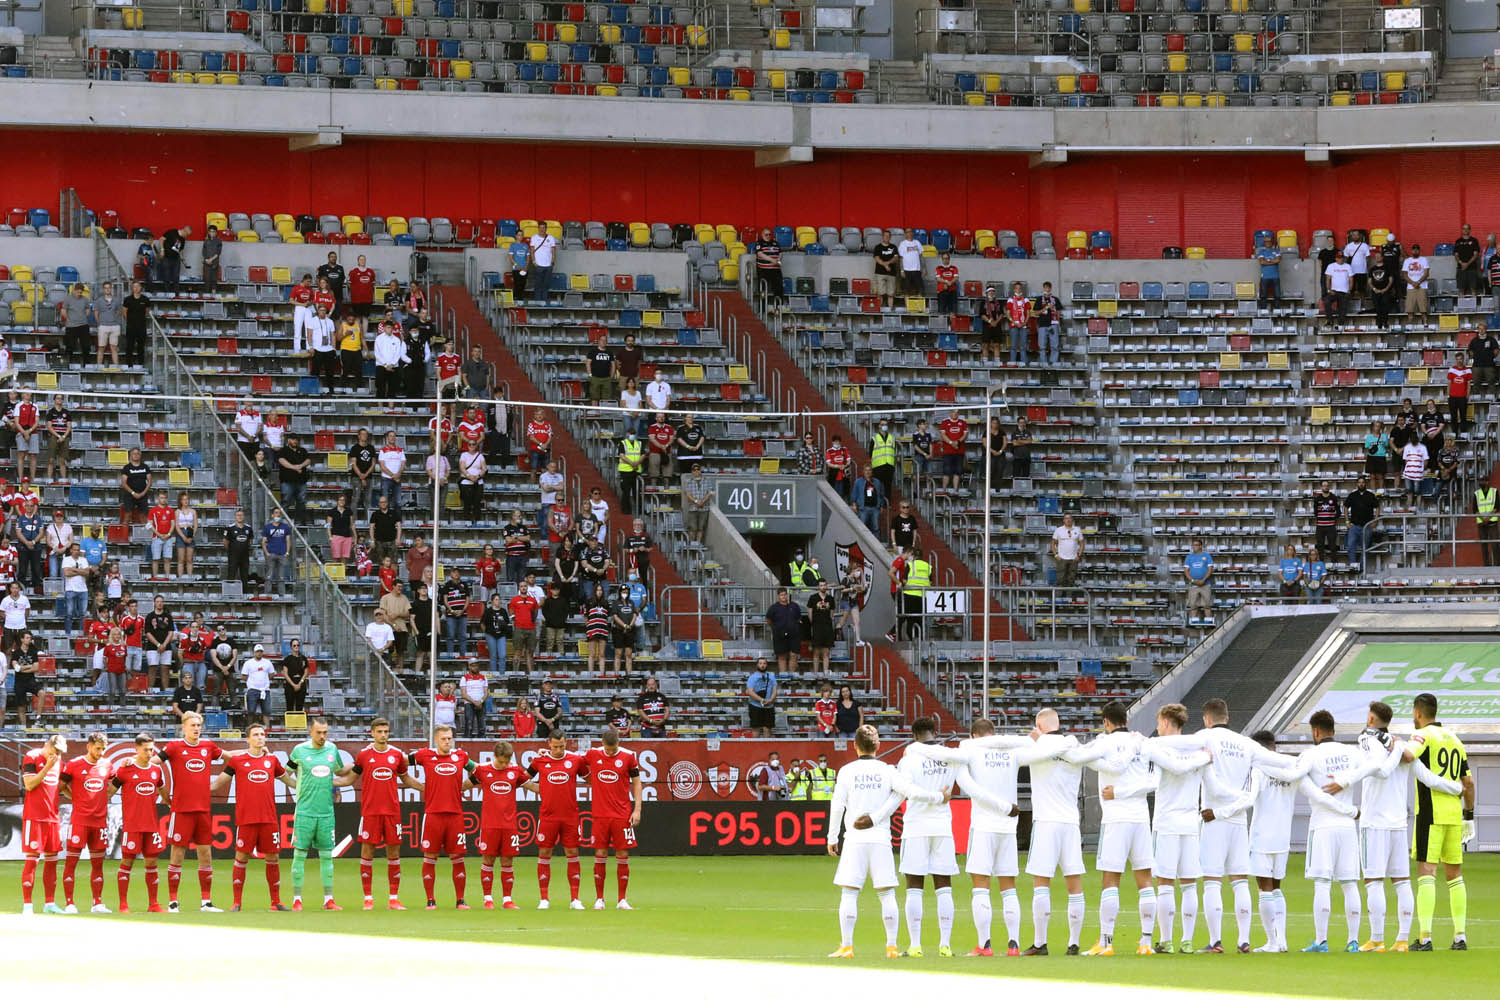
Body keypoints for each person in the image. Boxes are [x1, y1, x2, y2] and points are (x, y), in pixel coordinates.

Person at [826, 724, 946, 959]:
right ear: (878, 746)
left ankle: (847, 946)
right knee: (886, 893)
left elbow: (837, 804)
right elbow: (907, 792)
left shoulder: (846, 771)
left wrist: (832, 837)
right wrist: (939, 796)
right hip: (881, 838)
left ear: (854, 745)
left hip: (854, 838)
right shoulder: (888, 770)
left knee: (849, 893)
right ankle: (891, 947)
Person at [1353, 701, 1461, 953]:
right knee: (1402, 881)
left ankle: (1377, 939)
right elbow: (1428, 777)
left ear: (1370, 719)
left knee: (1373, 881)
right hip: (1399, 824)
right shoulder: (1402, 747)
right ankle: (1402, 940)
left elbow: (1377, 769)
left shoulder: (1373, 744)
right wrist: (1455, 788)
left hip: (1374, 821)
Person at [1406, 693, 1477, 951]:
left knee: (1426, 872)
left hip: (1430, 813)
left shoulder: (1423, 736)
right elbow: (1468, 783)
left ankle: (1425, 937)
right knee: (1454, 874)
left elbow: (1408, 755)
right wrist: (1469, 815)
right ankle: (1460, 936)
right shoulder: (1455, 740)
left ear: (1417, 713)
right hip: (1454, 815)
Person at [1141, 704, 1213, 953]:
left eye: (1159, 722)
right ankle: (1188, 940)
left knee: (1165, 883)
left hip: (1167, 822)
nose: (1157, 727)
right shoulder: (1197, 749)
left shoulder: (1160, 748)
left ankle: (1167, 939)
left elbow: (1170, 768)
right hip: (1191, 822)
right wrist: (1203, 756)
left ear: (1167, 722)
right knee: (1189, 883)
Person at [212, 724, 293, 911]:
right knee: (241, 857)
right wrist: (198, 790)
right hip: (246, 819)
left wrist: (309, 786)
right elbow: (218, 783)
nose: (260, 737)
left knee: (273, 858)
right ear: (247, 739)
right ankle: (237, 902)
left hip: (269, 818)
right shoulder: (237, 761)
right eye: (255, 735)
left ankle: (276, 902)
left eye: (262, 734)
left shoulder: (272, 761)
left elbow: (288, 781)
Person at [353, 717, 423, 910]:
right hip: (370, 811)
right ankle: (368, 898)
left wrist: (427, 789)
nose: (383, 735)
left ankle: (393, 898)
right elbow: (351, 777)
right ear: (372, 733)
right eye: (380, 731)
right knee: (367, 852)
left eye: (386, 731)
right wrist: (327, 781)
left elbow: (406, 778)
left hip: (392, 812)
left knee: (393, 853)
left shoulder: (397, 755)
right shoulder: (364, 755)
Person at [159, 712, 225, 912]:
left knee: (205, 854)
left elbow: (232, 759)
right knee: (177, 855)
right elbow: (153, 761)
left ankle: (206, 902)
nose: (196, 728)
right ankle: (172, 902)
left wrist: (254, 750)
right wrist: (134, 760)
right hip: (181, 810)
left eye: (199, 725)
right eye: (193, 725)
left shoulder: (208, 747)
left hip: (203, 810)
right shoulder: (174, 747)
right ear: (183, 727)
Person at [284, 718, 353, 911]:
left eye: (325, 732)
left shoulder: (332, 750)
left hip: (326, 813)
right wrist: (297, 788)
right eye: (318, 733)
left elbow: (339, 770)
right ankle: (297, 899)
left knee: (326, 857)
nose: (322, 736)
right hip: (305, 812)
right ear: (310, 732)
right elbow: (285, 773)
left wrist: (357, 764)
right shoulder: (299, 751)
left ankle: (328, 900)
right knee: (299, 855)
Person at [406, 725, 472, 911]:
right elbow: (400, 762)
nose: (447, 742)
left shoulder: (460, 756)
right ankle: (430, 900)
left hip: (455, 815)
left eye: (450, 738)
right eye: (443, 738)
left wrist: (463, 786)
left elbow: (478, 771)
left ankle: (460, 900)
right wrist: (421, 787)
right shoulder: (424, 755)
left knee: (458, 857)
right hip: (433, 815)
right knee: (430, 857)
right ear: (436, 739)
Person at [526, 729, 588, 908]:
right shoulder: (539, 761)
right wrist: (540, 789)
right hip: (548, 816)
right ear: (549, 744)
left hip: (570, 816)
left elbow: (590, 779)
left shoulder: (575, 760)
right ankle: (544, 899)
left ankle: (575, 899)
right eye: (555, 746)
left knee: (573, 853)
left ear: (566, 743)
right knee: (544, 853)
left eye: (562, 746)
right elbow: (522, 778)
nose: (559, 750)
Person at [584, 727, 643, 910]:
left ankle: (622, 899)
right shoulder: (593, 754)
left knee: (622, 855)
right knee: (600, 854)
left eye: (613, 749)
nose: (610, 753)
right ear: (602, 744)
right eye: (607, 750)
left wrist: (637, 810)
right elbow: (571, 760)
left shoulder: (628, 757)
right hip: (600, 815)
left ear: (618, 743)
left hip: (621, 814)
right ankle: (599, 899)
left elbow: (637, 782)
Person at [473, 740, 536, 909]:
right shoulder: (482, 770)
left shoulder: (514, 771)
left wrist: (554, 789)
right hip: (489, 825)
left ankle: (507, 899)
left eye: (506, 762)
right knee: (488, 859)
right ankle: (488, 898)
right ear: (494, 756)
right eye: (501, 761)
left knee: (508, 861)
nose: (503, 765)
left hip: (509, 826)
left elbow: (532, 787)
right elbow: (465, 785)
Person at [110, 733, 168, 912]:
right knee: (127, 863)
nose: (149, 753)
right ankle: (123, 904)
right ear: (136, 749)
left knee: (152, 864)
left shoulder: (156, 770)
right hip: (132, 826)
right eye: (145, 750)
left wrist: (171, 803)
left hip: (151, 825)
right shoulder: (124, 770)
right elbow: (108, 792)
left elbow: (162, 789)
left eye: (151, 749)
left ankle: (154, 904)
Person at [58, 732, 112, 913]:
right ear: (88, 746)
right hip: (79, 821)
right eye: (98, 748)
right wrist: (75, 799)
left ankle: (97, 903)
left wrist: (104, 797)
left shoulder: (107, 765)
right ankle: (69, 903)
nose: (101, 752)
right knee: (71, 863)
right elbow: (60, 786)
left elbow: (116, 782)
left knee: (98, 864)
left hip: (100, 822)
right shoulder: (74, 764)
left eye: (103, 749)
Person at [19, 733, 65, 914]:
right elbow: (29, 785)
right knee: (32, 861)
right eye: (56, 750)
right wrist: (47, 767)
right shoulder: (32, 756)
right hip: (35, 817)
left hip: (52, 818)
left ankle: (50, 904)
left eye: (61, 752)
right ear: (47, 745)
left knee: (52, 861)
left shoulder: (58, 762)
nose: (58, 755)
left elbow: (61, 786)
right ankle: (28, 905)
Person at [764, 590, 800, 678]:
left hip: (794, 634)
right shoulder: (773, 608)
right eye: (781, 595)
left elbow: (798, 618)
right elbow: (768, 620)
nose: (783, 596)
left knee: (793, 654)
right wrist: (776, 628)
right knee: (782, 655)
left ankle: (792, 675)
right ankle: (783, 675)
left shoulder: (794, 606)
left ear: (787, 595)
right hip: (779, 634)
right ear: (778, 596)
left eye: (785, 594)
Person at [1346, 475, 1380, 568]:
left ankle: (1361, 567)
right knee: (1350, 546)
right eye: (1359, 482)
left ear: (1366, 484)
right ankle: (1353, 566)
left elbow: (1377, 508)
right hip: (1354, 526)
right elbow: (1345, 507)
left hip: (1367, 526)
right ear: (1357, 484)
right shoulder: (1352, 495)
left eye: (1363, 482)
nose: (1361, 484)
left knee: (1365, 548)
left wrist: (1375, 521)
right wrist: (1347, 521)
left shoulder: (1370, 495)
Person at [240, 643, 275, 728]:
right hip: (253, 689)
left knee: (266, 712)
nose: (259, 653)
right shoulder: (248, 663)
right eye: (257, 651)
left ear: (262, 652)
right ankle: (250, 729)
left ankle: (267, 730)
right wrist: (253, 682)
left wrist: (264, 680)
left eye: (260, 651)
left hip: (265, 689)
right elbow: (244, 676)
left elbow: (272, 674)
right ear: (254, 652)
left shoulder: (267, 662)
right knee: (251, 711)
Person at [508, 579, 539, 673]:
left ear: (527, 587)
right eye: (521, 586)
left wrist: (531, 621)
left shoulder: (532, 600)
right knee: (518, 651)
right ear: (519, 588)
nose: (523, 588)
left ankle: (531, 673)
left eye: (525, 586)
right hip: (519, 628)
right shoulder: (514, 600)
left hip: (531, 628)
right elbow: (511, 611)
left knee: (530, 653)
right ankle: (515, 673)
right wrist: (516, 620)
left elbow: (535, 613)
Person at [806, 579, 836, 674]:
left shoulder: (830, 598)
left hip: (827, 627)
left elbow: (832, 614)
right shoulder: (813, 598)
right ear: (818, 587)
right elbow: (809, 613)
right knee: (816, 652)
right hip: (817, 627)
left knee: (826, 652)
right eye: (821, 585)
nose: (823, 587)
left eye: (824, 585)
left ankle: (825, 674)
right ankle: (815, 674)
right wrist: (814, 624)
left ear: (826, 586)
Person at [261, 507, 292, 597]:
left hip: (282, 554)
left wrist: (287, 552)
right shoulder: (267, 527)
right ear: (272, 515)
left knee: (281, 577)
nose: (278, 515)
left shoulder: (285, 527)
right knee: (269, 576)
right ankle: (267, 594)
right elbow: (263, 542)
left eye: (279, 513)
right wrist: (266, 553)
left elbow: (288, 540)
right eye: (276, 513)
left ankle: (282, 594)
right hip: (271, 553)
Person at [745, 655, 778, 737]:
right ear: (757, 665)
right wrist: (761, 700)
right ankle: (755, 748)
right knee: (756, 728)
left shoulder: (771, 677)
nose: (762, 665)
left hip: (769, 706)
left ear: (767, 665)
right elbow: (750, 691)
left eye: (764, 663)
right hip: (755, 705)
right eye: (760, 663)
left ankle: (766, 748)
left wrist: (771, 700)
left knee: (767, 728)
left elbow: (775, 690)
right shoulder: (752, 677)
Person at [850, 463, 886, 537]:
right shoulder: (858, 481)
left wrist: (881, 505)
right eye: (866, 470)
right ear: (863, 471)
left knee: (876, 527)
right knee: (862, 527)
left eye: (869, 470)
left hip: (875, 508)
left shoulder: (877, 482)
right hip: (863, 508)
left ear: (872, 472)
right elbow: (854, 493)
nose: (867, 472)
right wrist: (854, 504)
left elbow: (881, 494)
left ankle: (876, 545)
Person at [752, 228, 784, 305]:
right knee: (762, 289)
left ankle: (778, 307)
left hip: (776, 270)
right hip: (763, 270)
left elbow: (780, 253)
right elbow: (760, 254)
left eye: (769, 234)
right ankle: (762, 309)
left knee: (779, 289)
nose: (768, 236)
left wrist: (778, 260)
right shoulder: (759, 243)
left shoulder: (775, 243)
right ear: (762, 235)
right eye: (766, 234)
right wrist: (771, 260)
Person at [122, 280, 151, 366]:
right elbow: (124, 312)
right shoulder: (127, 299)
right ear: (132, 288)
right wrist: (130, 321)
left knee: (141, 347)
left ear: (140, 288)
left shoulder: (145, 299)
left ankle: (141, 364)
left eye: (138, 286)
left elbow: (147, 311)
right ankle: (129, 365)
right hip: (131, 327)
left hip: (141, 327)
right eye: (134, 286)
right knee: (129, 346)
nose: (136, 288)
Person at [1183, 539, 1213, 623]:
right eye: (1193, 545)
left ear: (1200, 546)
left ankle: (1209, 622)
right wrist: (1193, 580)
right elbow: (1186, 571)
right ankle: (1193, 621)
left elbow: (1210, 569)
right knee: (1193, 605)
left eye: (1196, 545)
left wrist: (1203, 580)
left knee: (1207, 605)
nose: (1194, 547)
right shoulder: (1189, 557)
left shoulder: (1206, 556)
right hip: (1193, 585)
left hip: (1205, 584)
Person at [528, 222, 558, 302]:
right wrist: (534, 262)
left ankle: (544, 301)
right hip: (538, 265)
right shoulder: (534, 237)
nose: (542, 229)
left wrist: (552, 262)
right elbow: (531, 251)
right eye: (540, 227)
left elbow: (553, 251)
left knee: (546, 285)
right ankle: (537, 301)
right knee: (538, 285)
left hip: (548, 265)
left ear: (546, 228)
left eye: (543, 227)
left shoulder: (551, 238)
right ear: (538, 228)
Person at [682, 463, 711, 545]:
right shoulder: (689, 482)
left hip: (704, 508)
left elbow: (710, 492)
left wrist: (702, 501)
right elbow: (687, 494)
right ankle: (691, 543)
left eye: (698, 469)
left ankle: (698, 543)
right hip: (693, 508)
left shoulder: (706, 481)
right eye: (694, 470)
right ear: (692, 472)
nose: (696, 471)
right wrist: (696, 501)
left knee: (701, 527)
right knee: (692, 527)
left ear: (700, 470)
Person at [1005, 281, 1031, 366]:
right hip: (1014, 325)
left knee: (1023, 346)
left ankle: (1024, 363)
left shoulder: (1026, 299)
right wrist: (1014, 323)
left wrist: (1024, 323)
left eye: (1019, 288)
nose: (1018, 290)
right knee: (1013, 346)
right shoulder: (1010, 299)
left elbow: (1028, 313)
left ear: (1021, 289)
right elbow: (1008, 314)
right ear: (1014, 289)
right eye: (1016, 288)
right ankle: (1013, 363)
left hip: (1024, 326)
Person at [1402, 244, 1430, 323]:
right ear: (1411, 251)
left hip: (1422, 286)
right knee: (1410, 308)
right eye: (1414, 249)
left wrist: (1418, 282)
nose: (1415, 251)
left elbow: (1426, 273)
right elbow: (1404, 274)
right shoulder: (1407, 261)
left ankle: (1425, 323)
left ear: (1419, 251)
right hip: (1411, 287)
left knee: (1423, 308)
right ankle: (1410, 324)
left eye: (1417, 249)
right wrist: (1412, 283)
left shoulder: (1424, 260)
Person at [1323, 251, 1352, 327]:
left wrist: (1349, 290)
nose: (1341, 259)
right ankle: (1329, 320)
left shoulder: (1348, 266)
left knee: (1342, 308)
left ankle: (1340, 325)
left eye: (1342, 258)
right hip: (1334, 291)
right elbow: (1327, 279)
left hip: (1344, 292)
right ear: (1336, 258)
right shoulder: (1331, 266)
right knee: (1326, 300)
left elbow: (1351, 280)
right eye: (1339, 258)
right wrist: (1329, 290)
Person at [1447, 350, 1472, 433]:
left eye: (1461, 359)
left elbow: (1469, 385)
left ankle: (1463, 434)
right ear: (1456, 360)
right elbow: (1449, 383)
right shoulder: (1451, 369)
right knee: (1453, 417)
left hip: (1462, 397)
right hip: (1453, 397)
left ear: (1463, 359)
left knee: (1463, 417)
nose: (1459, 360)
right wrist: (1448, 395)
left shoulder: (1468, 370)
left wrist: (1467, 396)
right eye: (1457, 359)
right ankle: (1454, 433)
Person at [872, 231, 899, 309]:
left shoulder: (894, 247)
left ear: (890, 237)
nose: (886, 237)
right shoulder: (878, 247)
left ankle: (890, 310)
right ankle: (879, 309)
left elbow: (896, 258)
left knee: (891, 294)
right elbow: (877, 258)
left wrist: (888, 263)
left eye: (888, 236)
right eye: (885, 236)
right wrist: (885, 265)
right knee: (880, 293)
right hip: (880, 273)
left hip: (891, 273)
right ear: (882, 237)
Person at [1255, 237, 1282, 306]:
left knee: (1277, 296)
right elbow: (1262, 262)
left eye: (1269, 241)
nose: (1268, 243)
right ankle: (1263, 312)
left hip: (1275, 277)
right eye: (1266, 241)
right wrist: (1273, 261)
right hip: (1265, 277)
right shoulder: (1261, 252)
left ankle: (1277, 312)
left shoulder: (1277, 251)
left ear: (1272, 242)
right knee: (1263, 296)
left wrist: (1267, 261)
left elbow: (1278, 260)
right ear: (1264, 243)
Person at [508, 235, 530, 299]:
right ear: (516, 236)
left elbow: (528, 257)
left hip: (524, 269)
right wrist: (516, 265)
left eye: (521, 235)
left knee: (522, 285)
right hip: (516, 269)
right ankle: (515, 299)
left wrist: (526, 266)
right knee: (517, 285)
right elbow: (511, 257)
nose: (520, 236)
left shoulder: (525, 246)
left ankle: (521, 300)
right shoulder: (513, 245)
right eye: (519, 235)